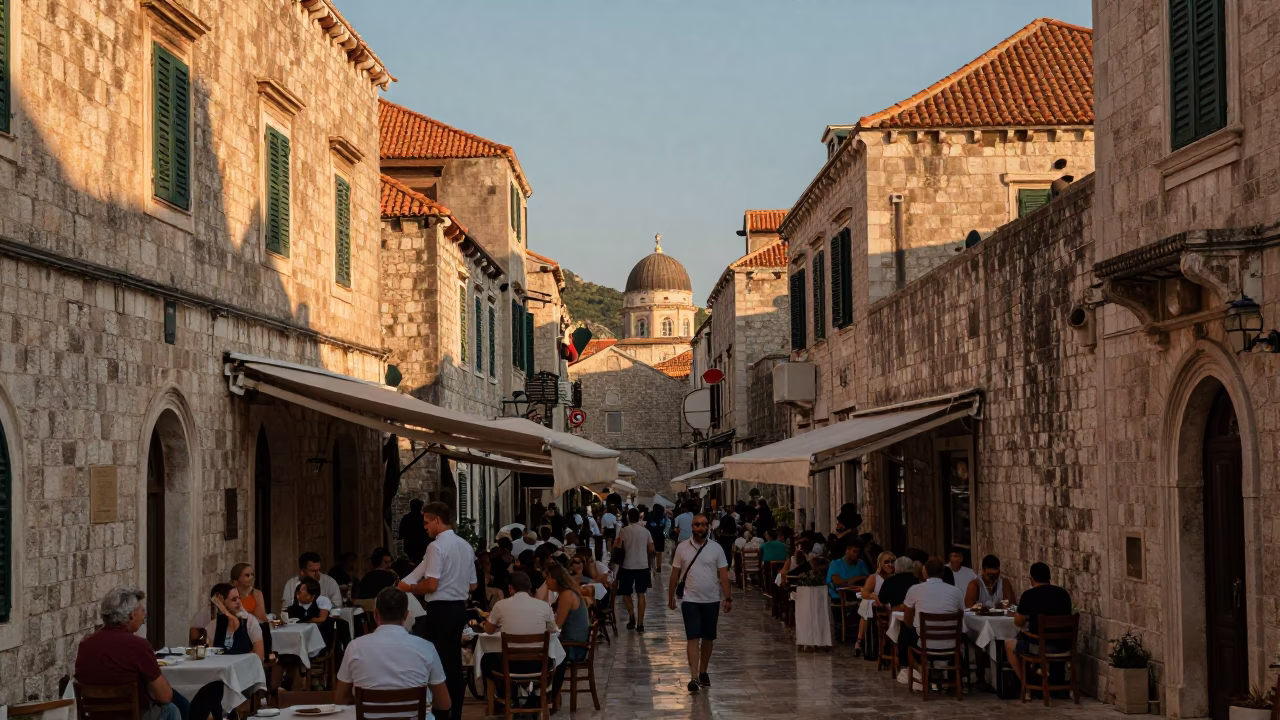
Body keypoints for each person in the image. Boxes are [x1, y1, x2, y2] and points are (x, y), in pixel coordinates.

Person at [398, 501, 476, 720]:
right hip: (459, 609)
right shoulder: (466, 545)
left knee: (439, 664)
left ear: (438, 520)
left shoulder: (435, 546)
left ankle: (442, 714)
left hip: (441, 610)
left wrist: (409, 588)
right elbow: (473, 585)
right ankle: (455, 713)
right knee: (453, 665)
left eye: (426, 522)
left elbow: (431, 584)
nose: (424, 527)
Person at [76, 587, 188, 720]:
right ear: (131, 616)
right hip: (132, 716)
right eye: (141, 610)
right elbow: (164, 696)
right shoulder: (138, 646)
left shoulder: (85, 645)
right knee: (172, 709)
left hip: (95, 717)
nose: (144, 615)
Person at [335, 587, 450, 716]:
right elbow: (444, 703)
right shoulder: (426, 647)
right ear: (406, 615)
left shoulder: (355, 647)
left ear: (376, 614)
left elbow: (341, 699)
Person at [667, 513, 731, 694]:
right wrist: (670, 596)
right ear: (692, 527)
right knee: (692, 637)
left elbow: (724, 575)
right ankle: (694, 676)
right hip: (690, 599)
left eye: (703, 525)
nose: (700, 528)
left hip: (711, 599)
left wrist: (728, 597)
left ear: (708, 527)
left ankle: (703, 671)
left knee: (708, 638)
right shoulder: (682, 548)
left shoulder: (716, 548)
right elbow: (674, 574)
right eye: (697, 525)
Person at [481, 572, 558, 705]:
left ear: (510, 588)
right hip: (538, 665)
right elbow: (553, 630)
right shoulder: (544, 606)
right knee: (554, 658)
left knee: (486, 660)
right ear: (529, 587)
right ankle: (536, 695)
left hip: (510, 666)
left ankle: (506, 696)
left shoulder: (500, 605)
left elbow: (488, 630)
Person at [897, 557, 966, 684]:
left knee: (905, 633)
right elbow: (962, 614)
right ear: (943, 573)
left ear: (925, 573)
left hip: (925, 643)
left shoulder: (915, 589)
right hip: (951, 643)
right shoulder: (956, 592)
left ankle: (916, 667)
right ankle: (956, 675)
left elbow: (907, 621)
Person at [1005, 562, 1074, 686]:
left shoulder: (1028, 596)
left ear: (1031, 579)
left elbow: (1018, 622)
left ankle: (1026, 685)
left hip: (1040, 647)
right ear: (1049, 578)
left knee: (1009, 644)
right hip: (1064, 646)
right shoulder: (1064, 595)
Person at [544, 565, 590, 709]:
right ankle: (546, 696)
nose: (546, 582)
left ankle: (548, 697)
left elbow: (556, 627)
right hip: (572, 642)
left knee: (543, 655)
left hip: (574, 646)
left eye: (547, 578)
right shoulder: (568, 593)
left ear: (555, 579)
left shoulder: (566, 595)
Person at [616, 507, 654, 632]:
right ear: (639, 518)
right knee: (641, 594)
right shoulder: (646, 532)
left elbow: (618, 547)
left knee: (626, 593)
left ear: (628, 517)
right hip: (642, 566)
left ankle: (632, 616)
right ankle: (640, 623)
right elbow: (651, 549)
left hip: (627, 565)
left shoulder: (623, 531)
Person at [204, 583, 265, 659]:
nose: (239, 602)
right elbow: (211, 656)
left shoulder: (250, 622)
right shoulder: (214, 625)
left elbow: (260, 656)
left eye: (239, 598)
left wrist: (227, 613)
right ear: (222, 603)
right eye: (234, 599)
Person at [287, 577, 335, 646]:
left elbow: (322, 619)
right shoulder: (295, 605)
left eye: (303, 589)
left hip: (320, 636)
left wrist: (308, 620)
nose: (298, 593)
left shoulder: (320, 600)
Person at [398, 498, 429, 564]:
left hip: (410, 546)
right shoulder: (423, 519)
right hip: (421, 546)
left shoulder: (406, 518)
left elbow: (401, 534)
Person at [645, 504, 667, 573]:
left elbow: (647, 526)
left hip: (651, 536)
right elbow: (664, 526)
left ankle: (649, 566)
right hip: (660, 535)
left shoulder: (649, 515)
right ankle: (659, 567)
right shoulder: (663, 516)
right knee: (659, 553)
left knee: (650, 552)